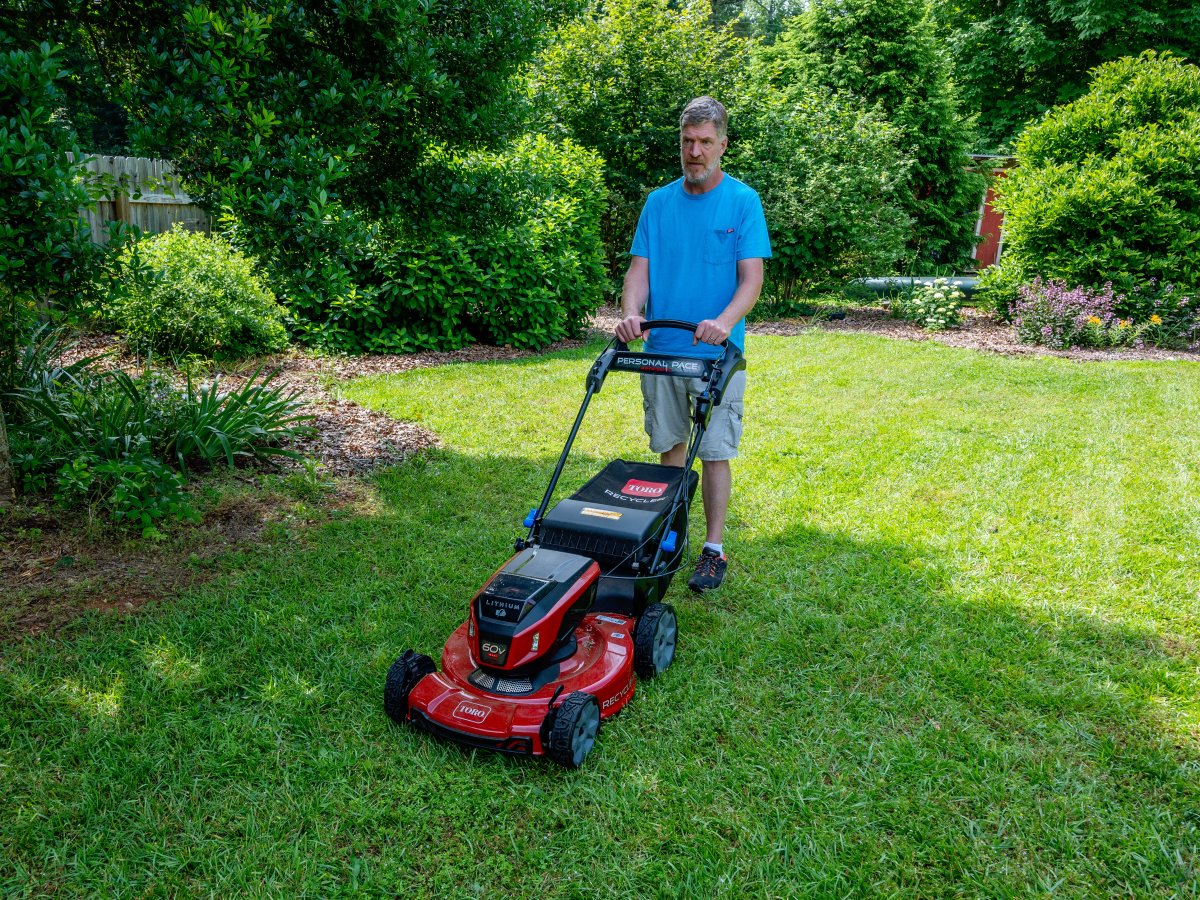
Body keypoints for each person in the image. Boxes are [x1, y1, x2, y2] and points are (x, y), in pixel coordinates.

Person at [615, 95, 771, 594]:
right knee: (670, 445)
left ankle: (713, 548)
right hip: (661, 349)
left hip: (717, 356)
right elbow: (639, 271)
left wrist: (724, 321)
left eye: (705, 142)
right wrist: (631, 313)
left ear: (723, 145)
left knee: (716, 450)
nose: (695, 152)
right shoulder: (658, 203)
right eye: (687, 142)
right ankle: (673, 535)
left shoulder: (743, 202)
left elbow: (751, 280)